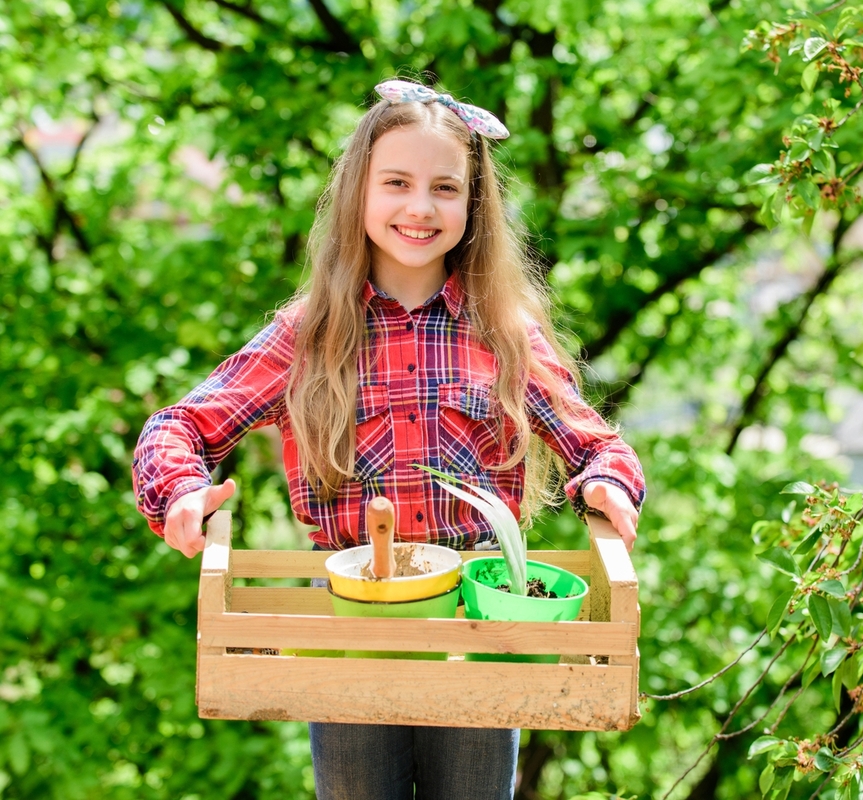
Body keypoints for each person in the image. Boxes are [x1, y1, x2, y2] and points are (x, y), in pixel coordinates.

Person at [132, 79, 645, 800]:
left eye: (444, 188)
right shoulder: (309, 334)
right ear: (359, 193)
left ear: (473, 207)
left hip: (477, 615)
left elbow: (601, 446)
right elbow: (178, 427)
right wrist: (181, 489)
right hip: (349, 611)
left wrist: (606, 483)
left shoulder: (503, 333)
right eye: (397, 182)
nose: (419, 207)